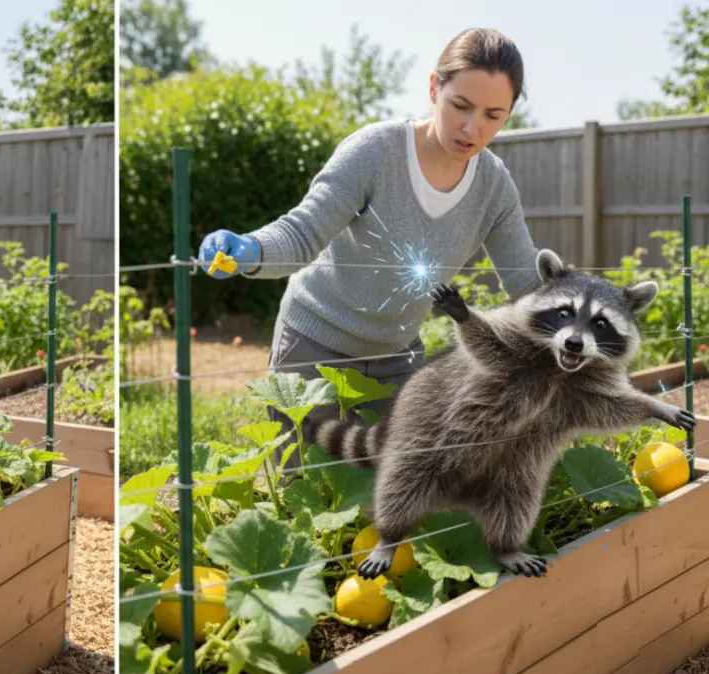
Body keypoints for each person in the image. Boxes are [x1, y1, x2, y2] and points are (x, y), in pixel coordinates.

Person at [198, 28, 542, 470]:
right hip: (313, 347)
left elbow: (526, 284)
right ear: (434, 88)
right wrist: (250, 249)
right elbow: (303, 234)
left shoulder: (494, 187)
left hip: (397, 359)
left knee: (396, 493)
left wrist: (581, 320)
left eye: (493, 114)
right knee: (302, 493)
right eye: (461, 106)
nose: (472, 128)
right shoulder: (375, 152)